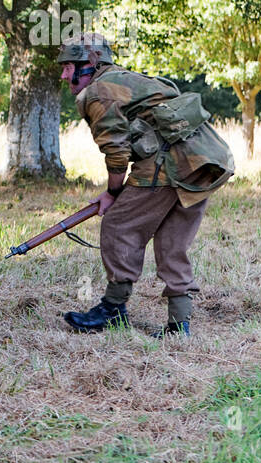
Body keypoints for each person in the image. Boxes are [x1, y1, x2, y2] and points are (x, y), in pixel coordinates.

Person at [58, 33, 234, 336]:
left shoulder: (99, 91)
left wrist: (113, 193)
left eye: (67, 67)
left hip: (170, 163)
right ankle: (180, 325)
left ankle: (113, 310)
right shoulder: (128, 80)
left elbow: (116, 151)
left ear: (88, 63)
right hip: (206, 161)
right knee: (172, 241)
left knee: (118, 226)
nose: (63, 75)